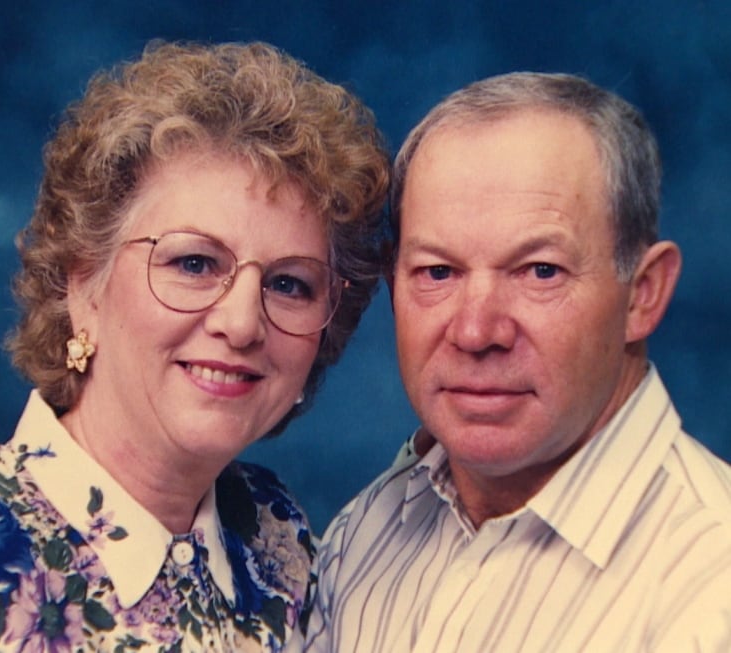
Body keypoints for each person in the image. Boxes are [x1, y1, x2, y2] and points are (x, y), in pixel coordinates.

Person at [0, 41, 388, 652]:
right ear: (85, 289)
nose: (241, 324)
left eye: (289, 284)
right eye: (194, 262)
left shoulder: (272, 531)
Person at [304, 72, 731, 652]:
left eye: (540, 272)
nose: (477, 330)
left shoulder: (712, 586)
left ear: (643, 294)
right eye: (438, 272)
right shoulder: (362, 538)